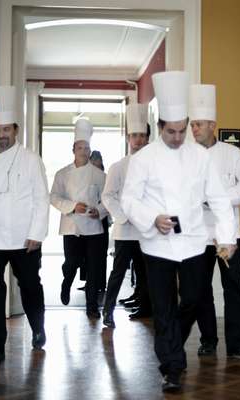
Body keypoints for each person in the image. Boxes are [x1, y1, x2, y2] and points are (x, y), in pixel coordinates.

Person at [121, 71, 236, 392]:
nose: (177, 136)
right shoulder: (143, 159)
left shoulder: (200, 156)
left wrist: (227, 237)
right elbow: (129, 199)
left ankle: (172, 346)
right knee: (163, 307)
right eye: (171, 131)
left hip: (195, 240)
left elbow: (218, 198)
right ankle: (172, 366)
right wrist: (151, 217)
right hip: (156, 243)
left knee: (195, 299)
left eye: (182, 130)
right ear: (160, 128)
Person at [0, 85, 49, 365]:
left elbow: (41, 198)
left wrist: (37, 234)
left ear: (15, 130)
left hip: (24, 238)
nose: (1, 135)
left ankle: (38, 328)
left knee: (29, 286)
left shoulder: (30, 160)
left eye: (6, 130)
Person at [189, 84, 240, 359]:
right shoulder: (185, 157)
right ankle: (208, 341)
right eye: (192, 125)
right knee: (200, 290)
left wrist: (218, 199)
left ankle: (238, 344)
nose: (194, 129)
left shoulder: (233, 154)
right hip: (197, 235)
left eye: (200, 124)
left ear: (213, 125)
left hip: (228, 235)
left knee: (233, 289)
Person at [50, 119, 108, 318]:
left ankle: (91, 306)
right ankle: (66, 282)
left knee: (93, 268)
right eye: (80, 147)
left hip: (93, 228)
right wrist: (73, 206)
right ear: (73, 149)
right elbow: (54, 197)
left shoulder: (99, 175)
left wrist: (98, 211)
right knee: (72, 263)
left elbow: (108, 199)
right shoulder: (62, 174)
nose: (83, 151)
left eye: (87, 148)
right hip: (71, 226)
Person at [101, 103, 151, 329]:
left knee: (146, 273)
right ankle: (108, 312)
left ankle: (146, 308)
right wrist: (123, 216)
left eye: (141, 136)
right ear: (128, 138)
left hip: (146, 231)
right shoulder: (118, 167)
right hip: (124, 229)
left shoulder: (155, 165)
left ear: (147, 138)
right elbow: (108, 196)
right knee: (118, 273)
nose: (138, 140)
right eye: (134, 136)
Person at [89, 150, 110, 303]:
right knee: (89, 255)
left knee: (100, 254)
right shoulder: (87, 174)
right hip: (88, 217)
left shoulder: (105, 176)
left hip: (101, 218)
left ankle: (100, 283)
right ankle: (91, 282)